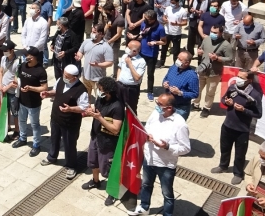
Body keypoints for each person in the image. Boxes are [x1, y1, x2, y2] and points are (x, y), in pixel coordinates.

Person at [128, 93, 190, 216]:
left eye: (160, 104)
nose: (157, 106)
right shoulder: (156, 114)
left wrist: (167, 146)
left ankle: (167, 214)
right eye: (157, 102)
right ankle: (144, 207)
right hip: (149, 158)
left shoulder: (180, 124)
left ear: (169, 108)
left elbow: (186, 148)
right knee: (146, 185)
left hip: (166, 164)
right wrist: (146, 135)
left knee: (167, 193)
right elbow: (147, 127)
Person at [211, 69, 263, 185]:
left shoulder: (254, 95)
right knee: (224, 149)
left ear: (249, 80)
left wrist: (244, 110)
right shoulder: (233, 88)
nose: (238, 80)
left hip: (242, 130)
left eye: (242, 78)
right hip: (227, 126)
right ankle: (223, 166)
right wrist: (227, 102)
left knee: (240, 154)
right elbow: (223, 99)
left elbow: (258, 114)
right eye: (238, 76)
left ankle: (238, 173)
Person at [81, 76, 125, 206]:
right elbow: (97, 111)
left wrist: (99, 118)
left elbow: (116, 129)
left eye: (100, 88)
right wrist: (91, 112)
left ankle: (113, 192)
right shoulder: (101, 99)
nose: (98, 90)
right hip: (95, 136)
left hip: (108, 142)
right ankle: (95, 181)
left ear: (108, 91)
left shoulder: (117, 107)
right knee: (93, 162)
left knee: (108, 169)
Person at [40, 64, 89, 180]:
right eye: (64, 74)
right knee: (54, 139)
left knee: (69, 145)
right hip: (56, 118)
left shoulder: (81, 90)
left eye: (67, 76)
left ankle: (71, 166)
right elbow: (56, 91)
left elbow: (84, 107)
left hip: (70, 123)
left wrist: (71, 109)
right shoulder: (61, 81)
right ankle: (52, 157)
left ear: (75, 77)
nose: (64, 77)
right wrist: (48, 94)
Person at [12, 46, 47, 157]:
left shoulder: (40, 71)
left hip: (33, 104)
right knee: (22, 121)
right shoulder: (22, 66)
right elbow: (17, 77)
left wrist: (30, 88)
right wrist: (16, 82)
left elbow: (44, 88)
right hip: (22, 100)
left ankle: (36, 145)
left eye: (26, 55)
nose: (24, 56)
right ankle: (23, 139)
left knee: (34, 125)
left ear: (32, 57)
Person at [194, 24, 233, 118]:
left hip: (214, 72)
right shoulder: (206, 39)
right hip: (203, 69)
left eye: (215, 33)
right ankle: (195, 104)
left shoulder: (226, 45)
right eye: (211, 31)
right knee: (197, 88)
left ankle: (206, 108)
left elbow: (230, 58)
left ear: (221, 33)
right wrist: (199, 51)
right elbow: (202, 48)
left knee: (210, 92)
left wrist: (217, 58)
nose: (212, 34)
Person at [127, 9, 165, 101]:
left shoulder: (160, 28)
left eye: (148, 19)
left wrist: (155, 42)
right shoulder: (144, 24)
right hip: (142, 51)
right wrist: (133, 37)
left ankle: (150, 91)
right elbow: (142, 35)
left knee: (150, 74)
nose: (146, 20)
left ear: (153, 19)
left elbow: (164, 42)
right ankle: (136, 87)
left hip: (152, 54)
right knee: (137, 71)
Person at [75, 23, 115, 104]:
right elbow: (80, 52)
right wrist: (79, 56)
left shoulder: (106, 47)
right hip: (85, 76)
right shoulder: (86, 42)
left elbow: (110, 63)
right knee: (85, 96)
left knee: (100, 98)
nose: (92, 33)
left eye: (94, 32)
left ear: (100, 34)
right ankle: (87, 108)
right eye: (92, 31)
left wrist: (98, 65)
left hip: (98, 78)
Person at [161, 51, 199, 120]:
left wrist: (180, 93)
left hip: (180, 108)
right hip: (167, 104)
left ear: (187, 63)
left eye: (180, 60)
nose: (177, 60)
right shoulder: (173, 67)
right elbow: (165, 78)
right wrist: (164, 83)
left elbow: (195, 94)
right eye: (177, 58)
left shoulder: (192, 76)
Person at [0, 40, 21, 142]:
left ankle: (17, 130)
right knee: (5, 110)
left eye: (6, 51)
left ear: (12, 50)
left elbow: (16, 81)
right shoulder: (3, 58)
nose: (4, 52)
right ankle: (7, 126)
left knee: (14, 111)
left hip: (13, 92)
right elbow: (0, 71)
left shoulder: (18, 62)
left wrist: (7, 87)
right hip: (3, 90)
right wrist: (0, 84)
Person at [116, 40, 146, 114]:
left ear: (135, 51)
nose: (126, 48)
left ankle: (131, 125)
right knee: (118, 107)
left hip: (131, 89)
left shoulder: (141, 62)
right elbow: (120, 67)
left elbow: (137, 78)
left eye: (129, 47)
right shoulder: (124, 56)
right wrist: (117, 79)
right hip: (120, 86)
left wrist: (130, 64)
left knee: (131, 110)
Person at [159, 0, 188, 68]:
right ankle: (161, 62)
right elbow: (164, 16)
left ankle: (176, 65)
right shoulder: (168, 8)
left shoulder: (182, 11)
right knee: (164, 48)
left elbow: (185, 22)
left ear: (178, 2)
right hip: (167, 32)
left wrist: (177, 24)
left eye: (174, 3)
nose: (172, 4)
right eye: (171, 2)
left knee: (176, 51)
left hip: (176, 33)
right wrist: (164, 19)